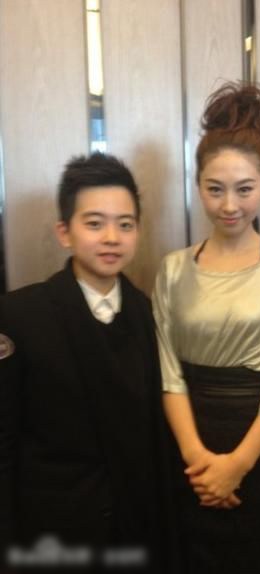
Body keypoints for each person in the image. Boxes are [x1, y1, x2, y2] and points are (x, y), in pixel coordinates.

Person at [152, 82, 260, 574]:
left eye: (244, 189)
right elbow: (168, 373)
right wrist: (200, 464)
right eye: (215, 189)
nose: (230, 205)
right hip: (191, 451)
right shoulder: (173, 268)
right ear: (198, 185)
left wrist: (237, 466)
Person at [0, 153, 178, 573]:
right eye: (94, 223)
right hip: (51, 535)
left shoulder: (147, 314)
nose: (112, 237)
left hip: (134, 532)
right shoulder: (19, 316)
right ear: (65, 232)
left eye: (125, 224)